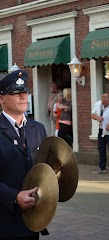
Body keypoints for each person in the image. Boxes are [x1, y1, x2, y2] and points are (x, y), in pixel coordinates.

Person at [0, 70, 47, 239]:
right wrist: (14, 197)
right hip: (4, 221)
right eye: (15, 93)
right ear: (1, 99)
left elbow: (43, 167)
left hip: (33, 219)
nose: (23, 96)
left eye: (25, 92)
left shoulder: (38, 128)